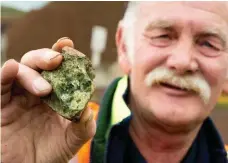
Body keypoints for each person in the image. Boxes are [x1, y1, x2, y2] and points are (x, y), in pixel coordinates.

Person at [1, 2, 228, 163]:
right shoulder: (57, 139)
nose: (183, 62)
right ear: (123, 46)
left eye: (208, 43)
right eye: (163, 35)